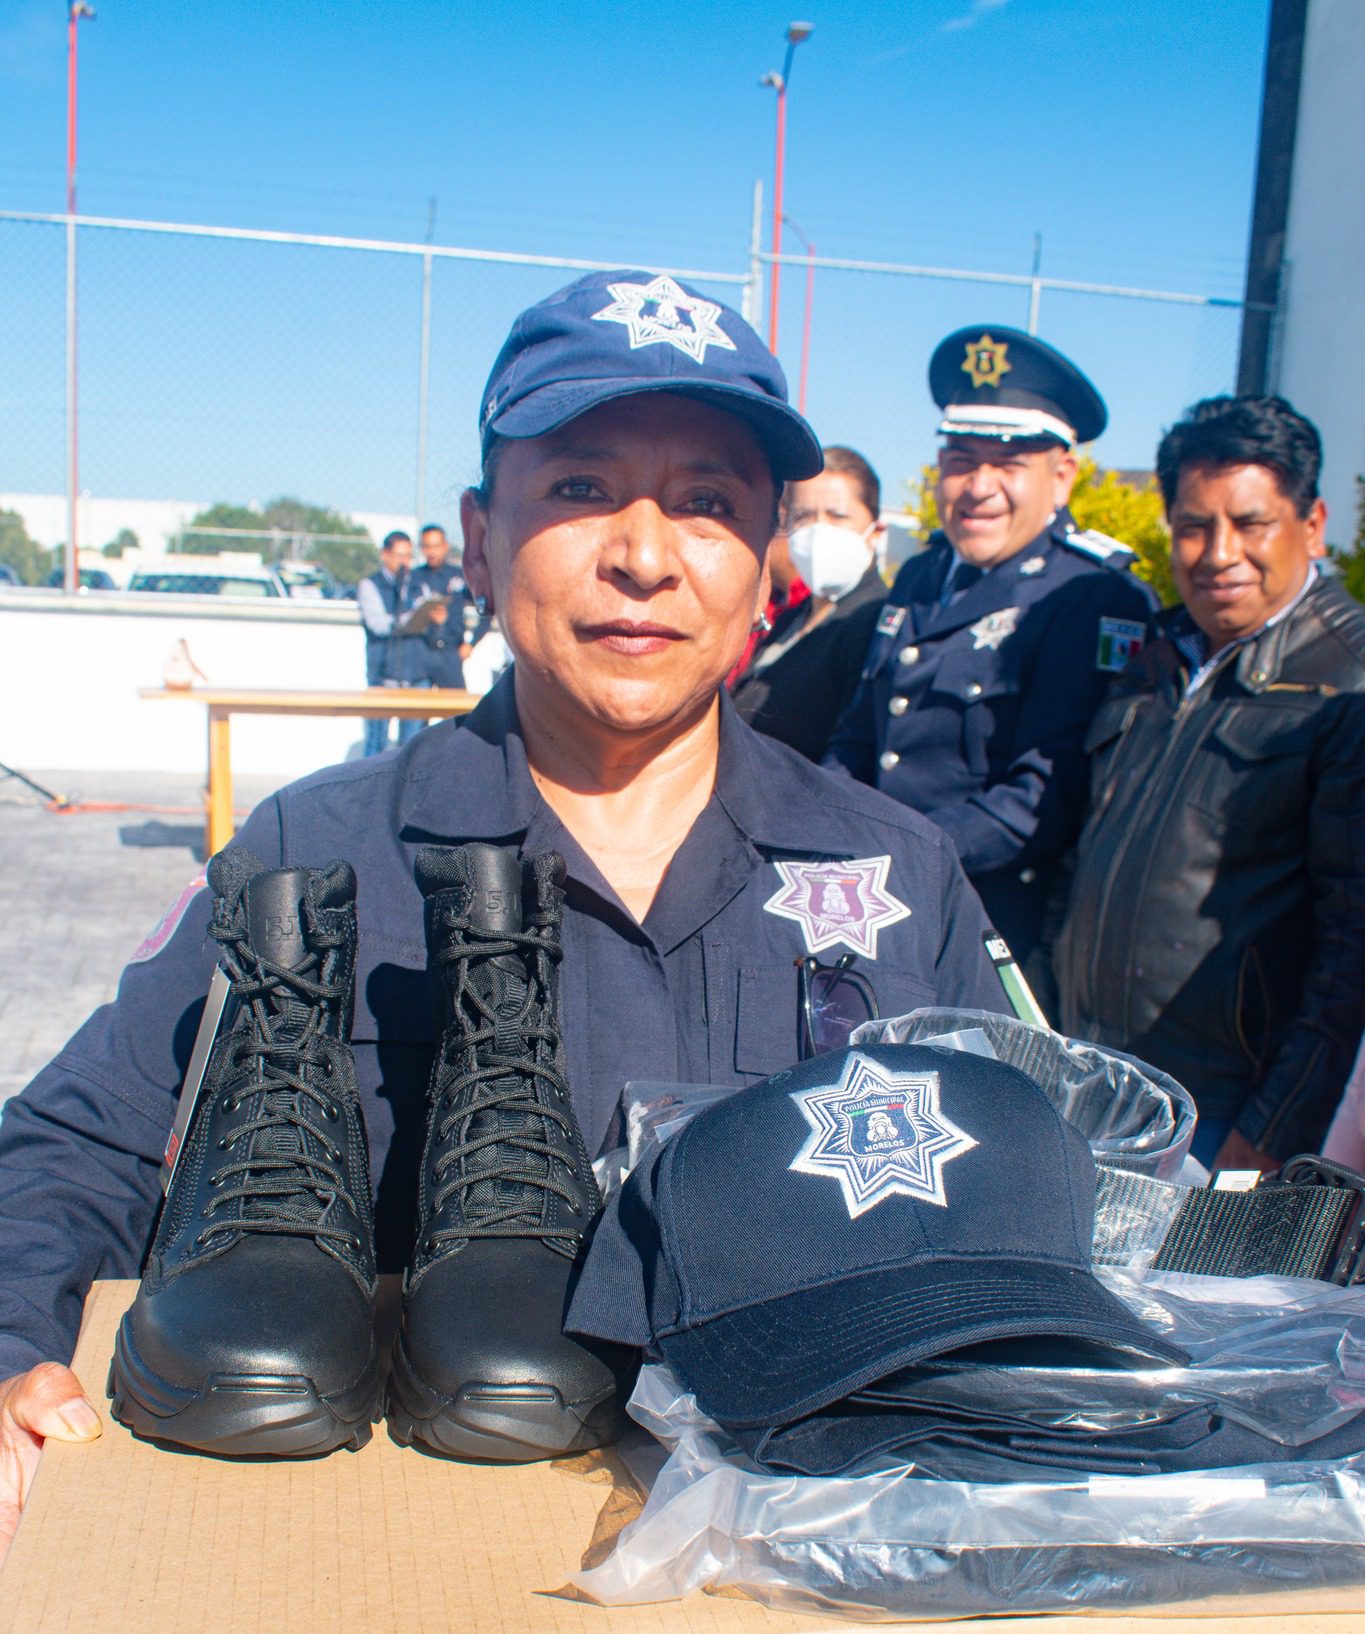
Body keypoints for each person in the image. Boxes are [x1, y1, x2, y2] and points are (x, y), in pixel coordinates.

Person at [0, 267, 1009, 1551]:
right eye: (582, 489)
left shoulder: (898, 870)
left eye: (707, 504)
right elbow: (73, 1138)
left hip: (798, 1568)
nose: (643, 556)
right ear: (481, 537)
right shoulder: (321, 849)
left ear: (764, 567)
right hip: (406, 1572)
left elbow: (1030, 1199)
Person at [1054, 393, 1365, 1173]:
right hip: (1100, 1085)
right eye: (1192, 526)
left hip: (1225, 1116)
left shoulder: (1347, 682)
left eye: (1249, 524)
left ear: (1312, 524)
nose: (1217, 552)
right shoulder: (1152, 657)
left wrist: (1264, 1142)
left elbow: (1348, 958)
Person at [823, 326, 1155, 967]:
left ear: (1061, 476)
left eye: (1007, 464)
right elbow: (859, 733)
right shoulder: (922, 575)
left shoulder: (1091, 596)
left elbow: (1037, 802)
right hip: (874, 902)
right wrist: (820, 825)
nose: (978, 486)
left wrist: (886, 854)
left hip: (986, 929)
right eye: (961, 460)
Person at [732, 445, 889, 760]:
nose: (820, 530)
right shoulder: (793, 617)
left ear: (876, 531)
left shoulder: (872, 621)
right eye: (804, 516)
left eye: (838, 515)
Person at [356, 530, 420, 755]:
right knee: (376, 742)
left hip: (411, 673)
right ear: (385, 554)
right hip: (381, 671)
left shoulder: (414, 584)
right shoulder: (370, 585)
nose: (405, 562)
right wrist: (409, 619)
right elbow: (378, 625)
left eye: (409, 556)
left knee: (412, 744)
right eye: (399, 555)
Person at [405, 523, 472, 691]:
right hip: (421, 652)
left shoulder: (459, 575)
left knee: (457, 711)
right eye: (427, 546)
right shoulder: (414, 577)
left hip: (450, 652)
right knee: (415, 714)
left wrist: (471, 643)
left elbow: (486, 609)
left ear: (445, 546)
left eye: (436, 546)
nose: (432, 552)